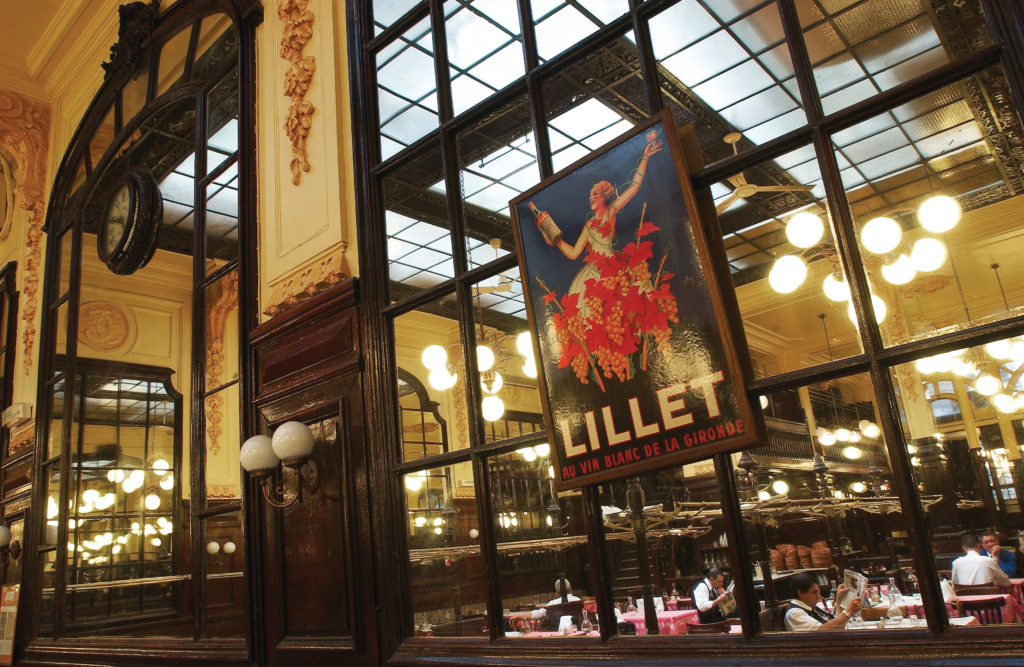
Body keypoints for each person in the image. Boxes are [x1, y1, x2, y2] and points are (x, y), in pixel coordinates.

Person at [552, 134, 663, 306]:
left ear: (604, 196)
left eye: (595, 194)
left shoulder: (610, 212)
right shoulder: (589, 225)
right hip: (593, 272)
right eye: (590, 195)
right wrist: (557, 242)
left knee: (621, 306)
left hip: (612, 268)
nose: (591, 198)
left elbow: (634, 187)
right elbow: (574, 253)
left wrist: (645, 157)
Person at [784, 572, 862, 631]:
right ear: (800, 593)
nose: (819, 597)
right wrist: (848, 612)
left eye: (818, 592)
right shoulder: (794, 613)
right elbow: (825, 631)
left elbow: (836, 625)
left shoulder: (810, 606)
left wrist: (839, 603)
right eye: (815, 593)